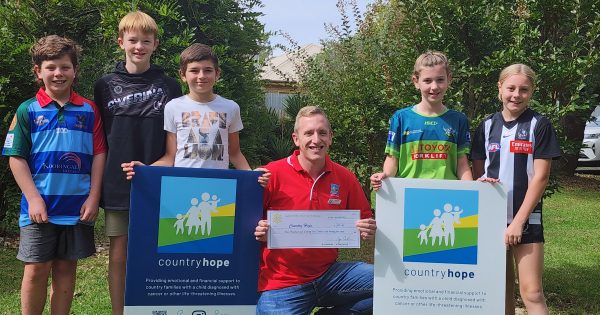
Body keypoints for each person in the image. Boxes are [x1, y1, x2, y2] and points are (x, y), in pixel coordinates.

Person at [2, 35, 107, 315]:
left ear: (75, 70)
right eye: (51, 67)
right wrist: (34, 199)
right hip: (39, 209)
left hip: (76, 208)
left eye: (64, 67)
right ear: (38, 71)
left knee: (65, 270)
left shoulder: (89, 110)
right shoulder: (27, 110)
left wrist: (94, 197)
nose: (58, 73)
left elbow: (99, 155)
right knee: (35, 271)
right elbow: (16, 158)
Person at [93, 11, 183, 315]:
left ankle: (154, 309)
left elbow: (175, 137)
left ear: (155, 44)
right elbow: (102, 138)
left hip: (160, 181)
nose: (139, 46)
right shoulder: (104, 85)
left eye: (146, 40)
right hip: (118, 183)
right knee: (119, 254)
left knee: (159, 252)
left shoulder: (170, 86)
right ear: (121, 42)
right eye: (133, 40)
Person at [254, 106, 377, 315]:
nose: (316, 139)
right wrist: (258, 230)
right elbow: (245, 223)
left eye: (322, 133)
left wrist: (368, 228)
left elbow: (366, 220)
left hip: (329, 275)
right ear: (296, 138)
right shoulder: (271, 173)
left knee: (391, 284)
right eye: (308, 133)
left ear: (330, 137)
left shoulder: (344, 177)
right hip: (282, 283)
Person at [471, 64, 560, 315]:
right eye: (510, 88)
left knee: (532, 292)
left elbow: (541, 178)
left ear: (531, 92)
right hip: (492, 220)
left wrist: (517, 222)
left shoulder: (539, 125)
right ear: (499, 88)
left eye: (523, 89)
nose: (516, 95)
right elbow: (480, 174)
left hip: (526, 219)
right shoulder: (486, 126)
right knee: (500, 289)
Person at [121, 43, 270, 182]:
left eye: (208, 70)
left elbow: (235, 153)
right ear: (183, 75)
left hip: (219, 186)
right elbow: (170, 156)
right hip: (182, 184)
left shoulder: (231, 108)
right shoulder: (173, 107)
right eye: (194, 70)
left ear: (217, 74)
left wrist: (252, 175)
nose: (201, 76)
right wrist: (145, 169)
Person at [370, 51, 472, 190]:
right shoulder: (400, 118)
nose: (434, 86)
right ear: (416, 81)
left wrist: (471, 191)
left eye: (440, 80)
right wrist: (385, 176)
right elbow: (393, 159)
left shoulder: (459, 120)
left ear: (449, 79)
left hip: (447, 196)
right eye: (427, 80)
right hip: (409, 196)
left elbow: (462, 163)